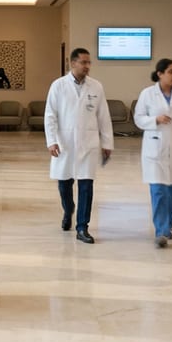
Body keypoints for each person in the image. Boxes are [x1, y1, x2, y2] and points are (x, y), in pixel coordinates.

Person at [45, 47, 113, 244]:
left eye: (89, 62)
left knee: (86, 185)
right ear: (72, 63)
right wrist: (51, 141)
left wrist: (107, 142)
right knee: (64, 185)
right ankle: (68, 210)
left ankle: (82, 227)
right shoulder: (58, 85)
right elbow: (50, 115)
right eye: (83, 62)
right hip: (64, 143)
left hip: (88, 143)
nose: (87, 66)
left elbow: (103, 116)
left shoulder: (96, 87)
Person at [134, 58, 172, 248]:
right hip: (155, 147)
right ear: (160, 74)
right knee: (158, 190)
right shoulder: (147, 94)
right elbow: (138, 118)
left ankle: (168, 226)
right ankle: (161, 231)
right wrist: (155, 120)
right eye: (171, 72)